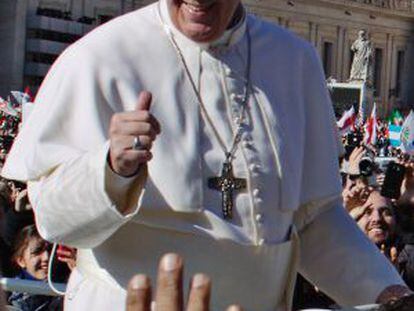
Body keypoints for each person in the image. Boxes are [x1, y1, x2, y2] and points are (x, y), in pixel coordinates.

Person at [2, 0, 412, 309]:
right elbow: (52, 220)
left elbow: (314, 219)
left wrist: (383, 290)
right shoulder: (100, 56)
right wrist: (110, 171)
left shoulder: (294, 61)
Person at [8, 225, 63, 310]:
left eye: (50, 250)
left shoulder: (67, 283)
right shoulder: (11, 298)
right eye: (37, 252)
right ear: (21, 261)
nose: (46, 257)